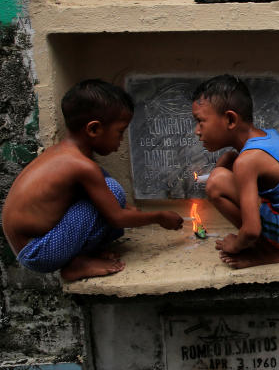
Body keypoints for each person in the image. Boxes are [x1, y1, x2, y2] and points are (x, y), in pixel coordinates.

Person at [1, 80, 183, 280]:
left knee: (108, 191)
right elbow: (116, 217)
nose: (121, 140)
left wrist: (128, 211)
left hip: (35, 246)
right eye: (120, 132)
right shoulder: (82, 166)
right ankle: (75, 265)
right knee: (112, 190)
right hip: (39, 252)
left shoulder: (64, 154)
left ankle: (82, 255)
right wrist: (159, 217)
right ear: (94, 129)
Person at [192, 75, 279, 269]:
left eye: (201, 121)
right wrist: (225, 163)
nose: (197, 131)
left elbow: (251, 230)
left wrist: (236, 244)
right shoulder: (265, 138)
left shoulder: (247, 160)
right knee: (227, 161)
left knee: (216, 182)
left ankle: (267, 251)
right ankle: (266, 245)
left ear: (230, 119)